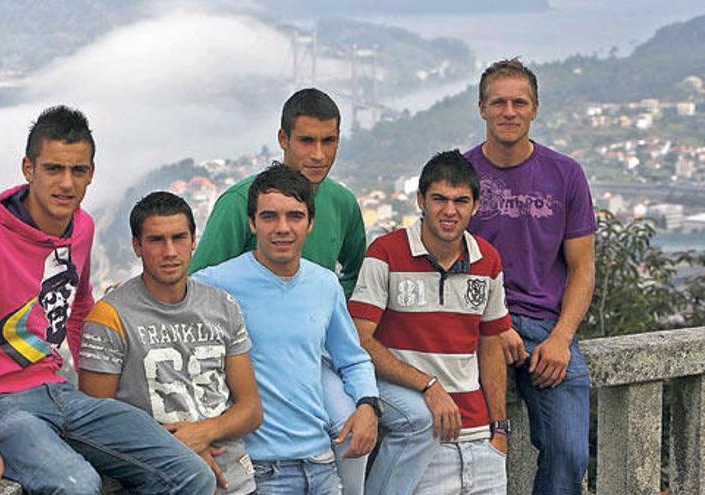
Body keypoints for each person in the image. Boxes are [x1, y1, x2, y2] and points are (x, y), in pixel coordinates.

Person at [0, 106, 214, 494]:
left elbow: (78, 309)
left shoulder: (82, 227)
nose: (66, 184)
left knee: (192, 474)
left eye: (78, 170)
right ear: (28, 168)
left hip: (61, 395)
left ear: (91, 173)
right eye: (53, 168)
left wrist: (97, 398)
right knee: (78, 486)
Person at [191, 87, 370, 493]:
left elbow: (355, 269)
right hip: (253, 351)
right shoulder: (240, 201)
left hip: (314, 339)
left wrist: (324, 305)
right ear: (283, 140)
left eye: (329, 141)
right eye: (307, 141)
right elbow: (196, 289)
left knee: (352, 426)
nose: (319, 154)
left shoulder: (341, 202)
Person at [466, 58, 596, 494]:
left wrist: (561, 338)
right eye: (498, 102)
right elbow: (447, 265)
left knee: (569, 452)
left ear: (535, 109)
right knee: (469, 446)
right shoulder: (461, 177)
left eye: (519, 102)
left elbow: (582, 267)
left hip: (546, 330)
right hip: (477, 327)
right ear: (481, 108)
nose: (509, 111)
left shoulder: (565, 175)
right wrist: (493, 325)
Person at [76, 191, 263, 495]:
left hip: (236, 482)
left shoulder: (223, 306)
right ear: (137, 246)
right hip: (163, 483)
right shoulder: (109, 317)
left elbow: (251, 409)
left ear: (193, 241)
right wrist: (176, 450)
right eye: (156, 240)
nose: (170, 251)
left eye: (179, 237)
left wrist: (200, 434)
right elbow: (95, 426)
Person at [349, 150, 511, 494]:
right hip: (424, 442)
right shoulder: (385, 254)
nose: (449, 211)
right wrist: (428, 384)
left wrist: (499, 431)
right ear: (420, 200)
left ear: (475, 206)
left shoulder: (488, 260)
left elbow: (491, 346)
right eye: (439, 199)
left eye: (460, 201)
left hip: (481, 441)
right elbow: (360, 340)